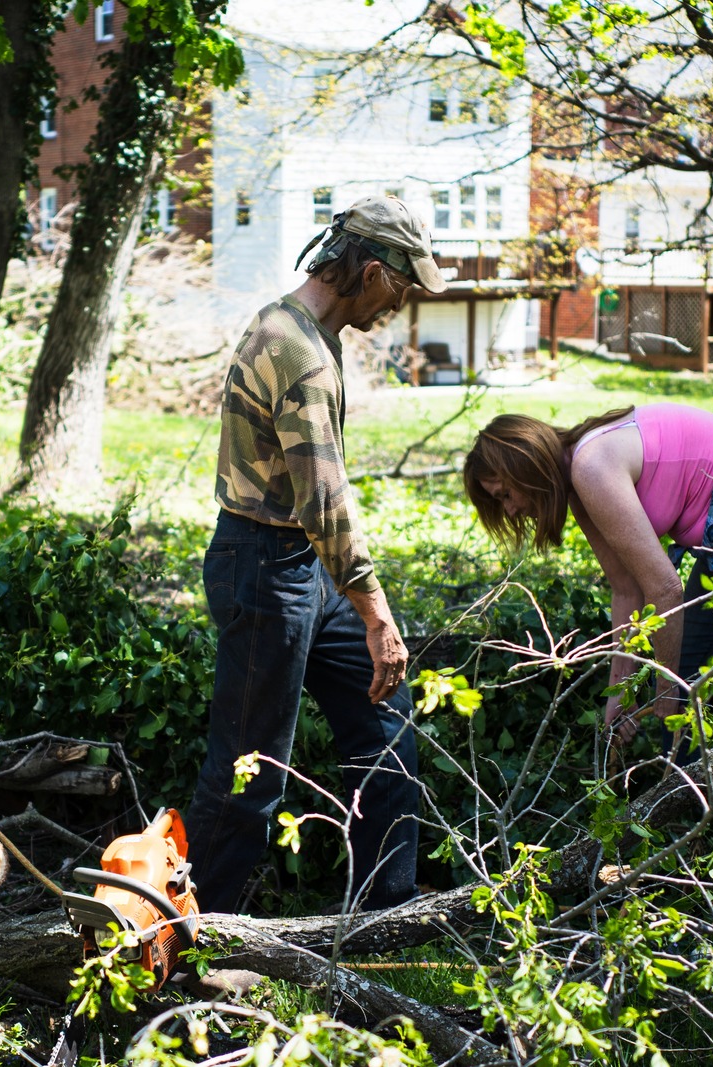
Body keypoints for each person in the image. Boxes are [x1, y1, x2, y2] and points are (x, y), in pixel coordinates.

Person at [463, 403, 713, 948]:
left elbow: (666, 590)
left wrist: (665, 693)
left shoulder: (591, 465)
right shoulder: (582, 482)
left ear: (527, 463)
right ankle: (697, 860)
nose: (511, 508)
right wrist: (620, 694)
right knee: (696, 691)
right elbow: (629, 591)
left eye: (504, 492)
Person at [184, 195, 446, 914]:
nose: (404, 302)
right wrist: (378, 613)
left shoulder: (302, 330)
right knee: (249, 771)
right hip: (266, 568)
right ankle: (197, 935)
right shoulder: (297, 350)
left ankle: (381, 919)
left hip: (301, 565)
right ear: (369, 270)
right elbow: (323, 503)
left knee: (385, 729)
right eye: (404, 284)